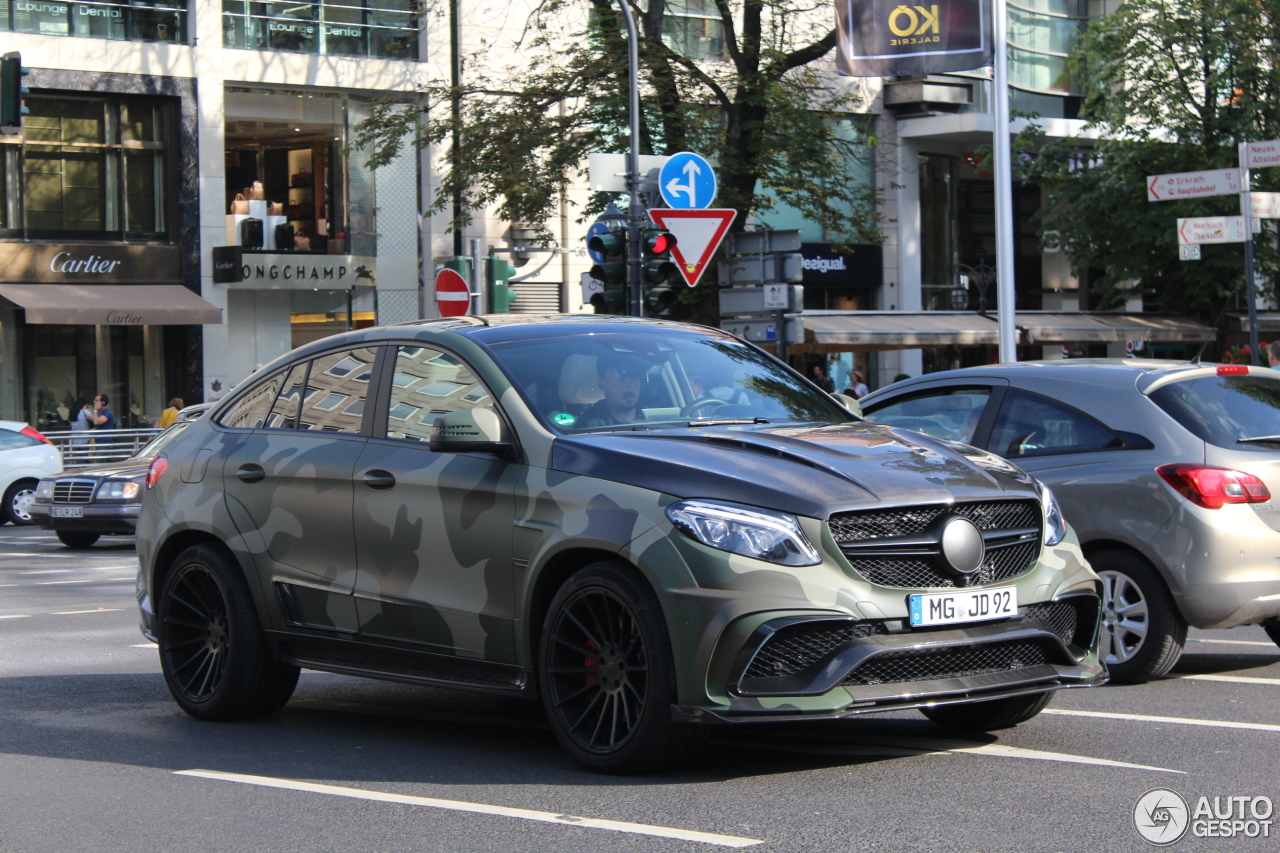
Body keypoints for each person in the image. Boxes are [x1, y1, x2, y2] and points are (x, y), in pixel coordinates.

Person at [582, 355, 646, 428]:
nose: (630, 387)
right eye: (621, 380)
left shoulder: (652, 416)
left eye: (635, 379)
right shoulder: (589, 426)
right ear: (602, 385)